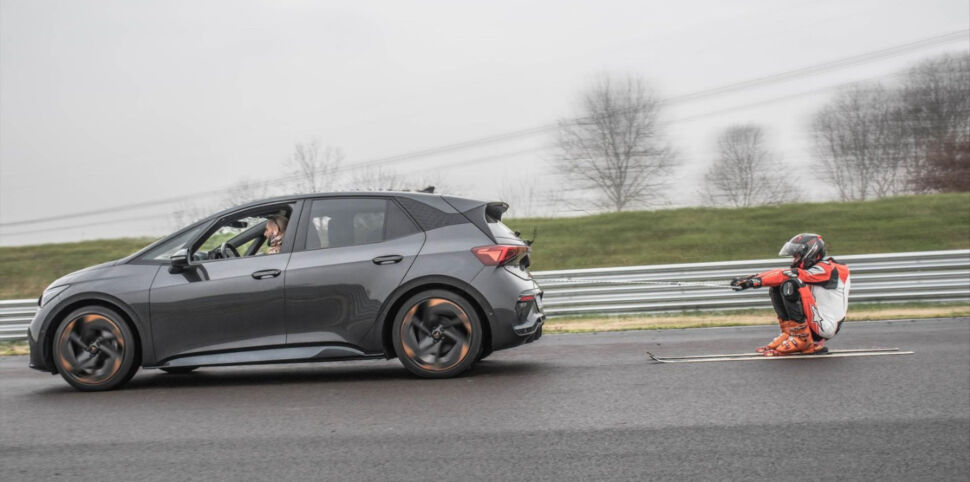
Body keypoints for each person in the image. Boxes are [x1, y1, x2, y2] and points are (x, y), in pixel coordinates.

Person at [731, 233, 850, 356]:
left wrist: (754, 282)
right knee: (777, 286)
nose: (794, 260)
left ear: (810, 252)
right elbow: (780, 273)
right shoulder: (818, 267)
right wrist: (750, 279)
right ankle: (790, 332)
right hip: (816, 321)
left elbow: (789, 274)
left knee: (791, 284)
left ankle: (802, 339)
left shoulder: (830, 268)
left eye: (797, 256)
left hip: (825, 326)